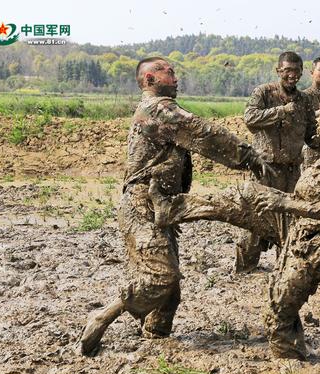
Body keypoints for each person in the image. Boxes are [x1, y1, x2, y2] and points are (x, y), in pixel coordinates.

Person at [150, 82, 320, 360]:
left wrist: (284, 202)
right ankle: (172, 209)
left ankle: (292, 362)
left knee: (278, 311)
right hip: (300, 224)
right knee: (245, 195)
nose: (317, 114)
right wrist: (281, 201)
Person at [77, 57, 273, 355]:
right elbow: (203, 133)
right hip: (142, 205)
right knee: (160, 277)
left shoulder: (157, 109)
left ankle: (155, 341)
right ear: (150, 79)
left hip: (159, 205)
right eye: (168, 73)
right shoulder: (157, 109)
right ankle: (103, 316)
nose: (175, 77)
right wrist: (248, 157)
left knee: (170, 291)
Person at [236, 51, 317, 273]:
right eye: (287, 71)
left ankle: (285, 266)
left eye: (297, 71)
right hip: (265, 169)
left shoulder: (304, 100)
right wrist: (280, 112)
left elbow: (312, 135)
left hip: (292, 171)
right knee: (255, 216)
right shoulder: (263, 92)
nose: (292, 75)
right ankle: (245, 267)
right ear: (278, 71)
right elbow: (250, 118)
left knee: (291, 218)